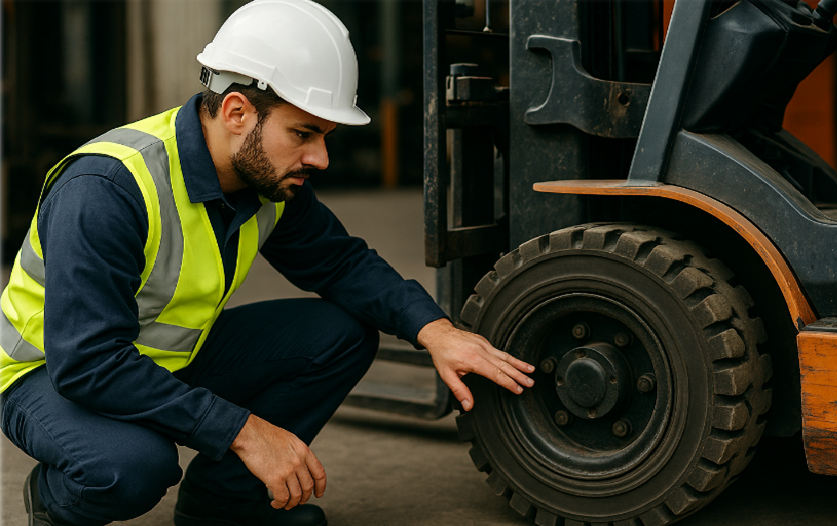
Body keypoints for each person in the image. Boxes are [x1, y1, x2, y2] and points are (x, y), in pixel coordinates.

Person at [0, 1, 534, 525]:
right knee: (129, 468)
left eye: (324, 136)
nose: (320, 158)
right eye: (303, 134)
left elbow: (341, 264)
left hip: (159, 359)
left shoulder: (264, 180)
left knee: (341, 332)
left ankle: (225, 505)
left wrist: (435, 330)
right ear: (237, 112)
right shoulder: (107, 189)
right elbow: (87, 362)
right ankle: (53, 499)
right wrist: (245, 431)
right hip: (49, 373)